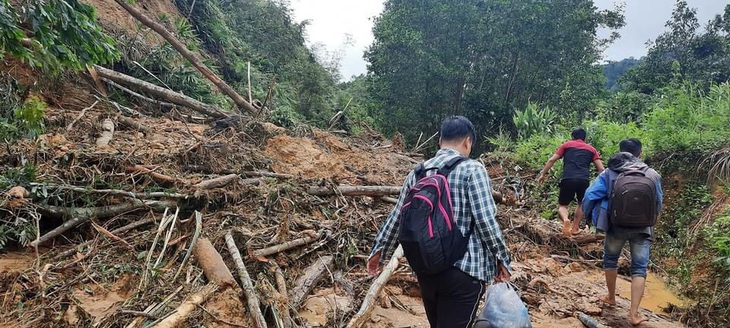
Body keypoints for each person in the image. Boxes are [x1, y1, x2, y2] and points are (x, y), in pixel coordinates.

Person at [367, 116, 512, 328]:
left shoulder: (417, 172)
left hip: (426, 268)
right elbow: (485, 220)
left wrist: (379, 252)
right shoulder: (473, 169)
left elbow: (398, 216)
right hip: (465, 271)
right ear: (467, 142)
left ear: (440, 141)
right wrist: (502, 259)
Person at [582, 138, 663, 326]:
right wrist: (652, 221)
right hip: (643, 228)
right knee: (639, 269)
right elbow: (658, 202)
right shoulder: (652, 174)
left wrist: (592, 218)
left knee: (610, 260)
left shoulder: (609, 173)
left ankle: (611, 297)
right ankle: (634, 314)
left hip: (616, 225)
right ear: (640, 153)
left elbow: (589, 195)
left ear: (621, 151)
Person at [538, 128, 604, 236]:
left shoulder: (566, 145)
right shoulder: (591, 149)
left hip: (567, 179)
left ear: (572, 137)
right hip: (583, 180)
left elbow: (551, 160)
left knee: (563, 205)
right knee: (581, 203)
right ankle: (575, 228)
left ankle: (565, 220)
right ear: (585, 137)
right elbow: (601, 169)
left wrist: (543, 174)